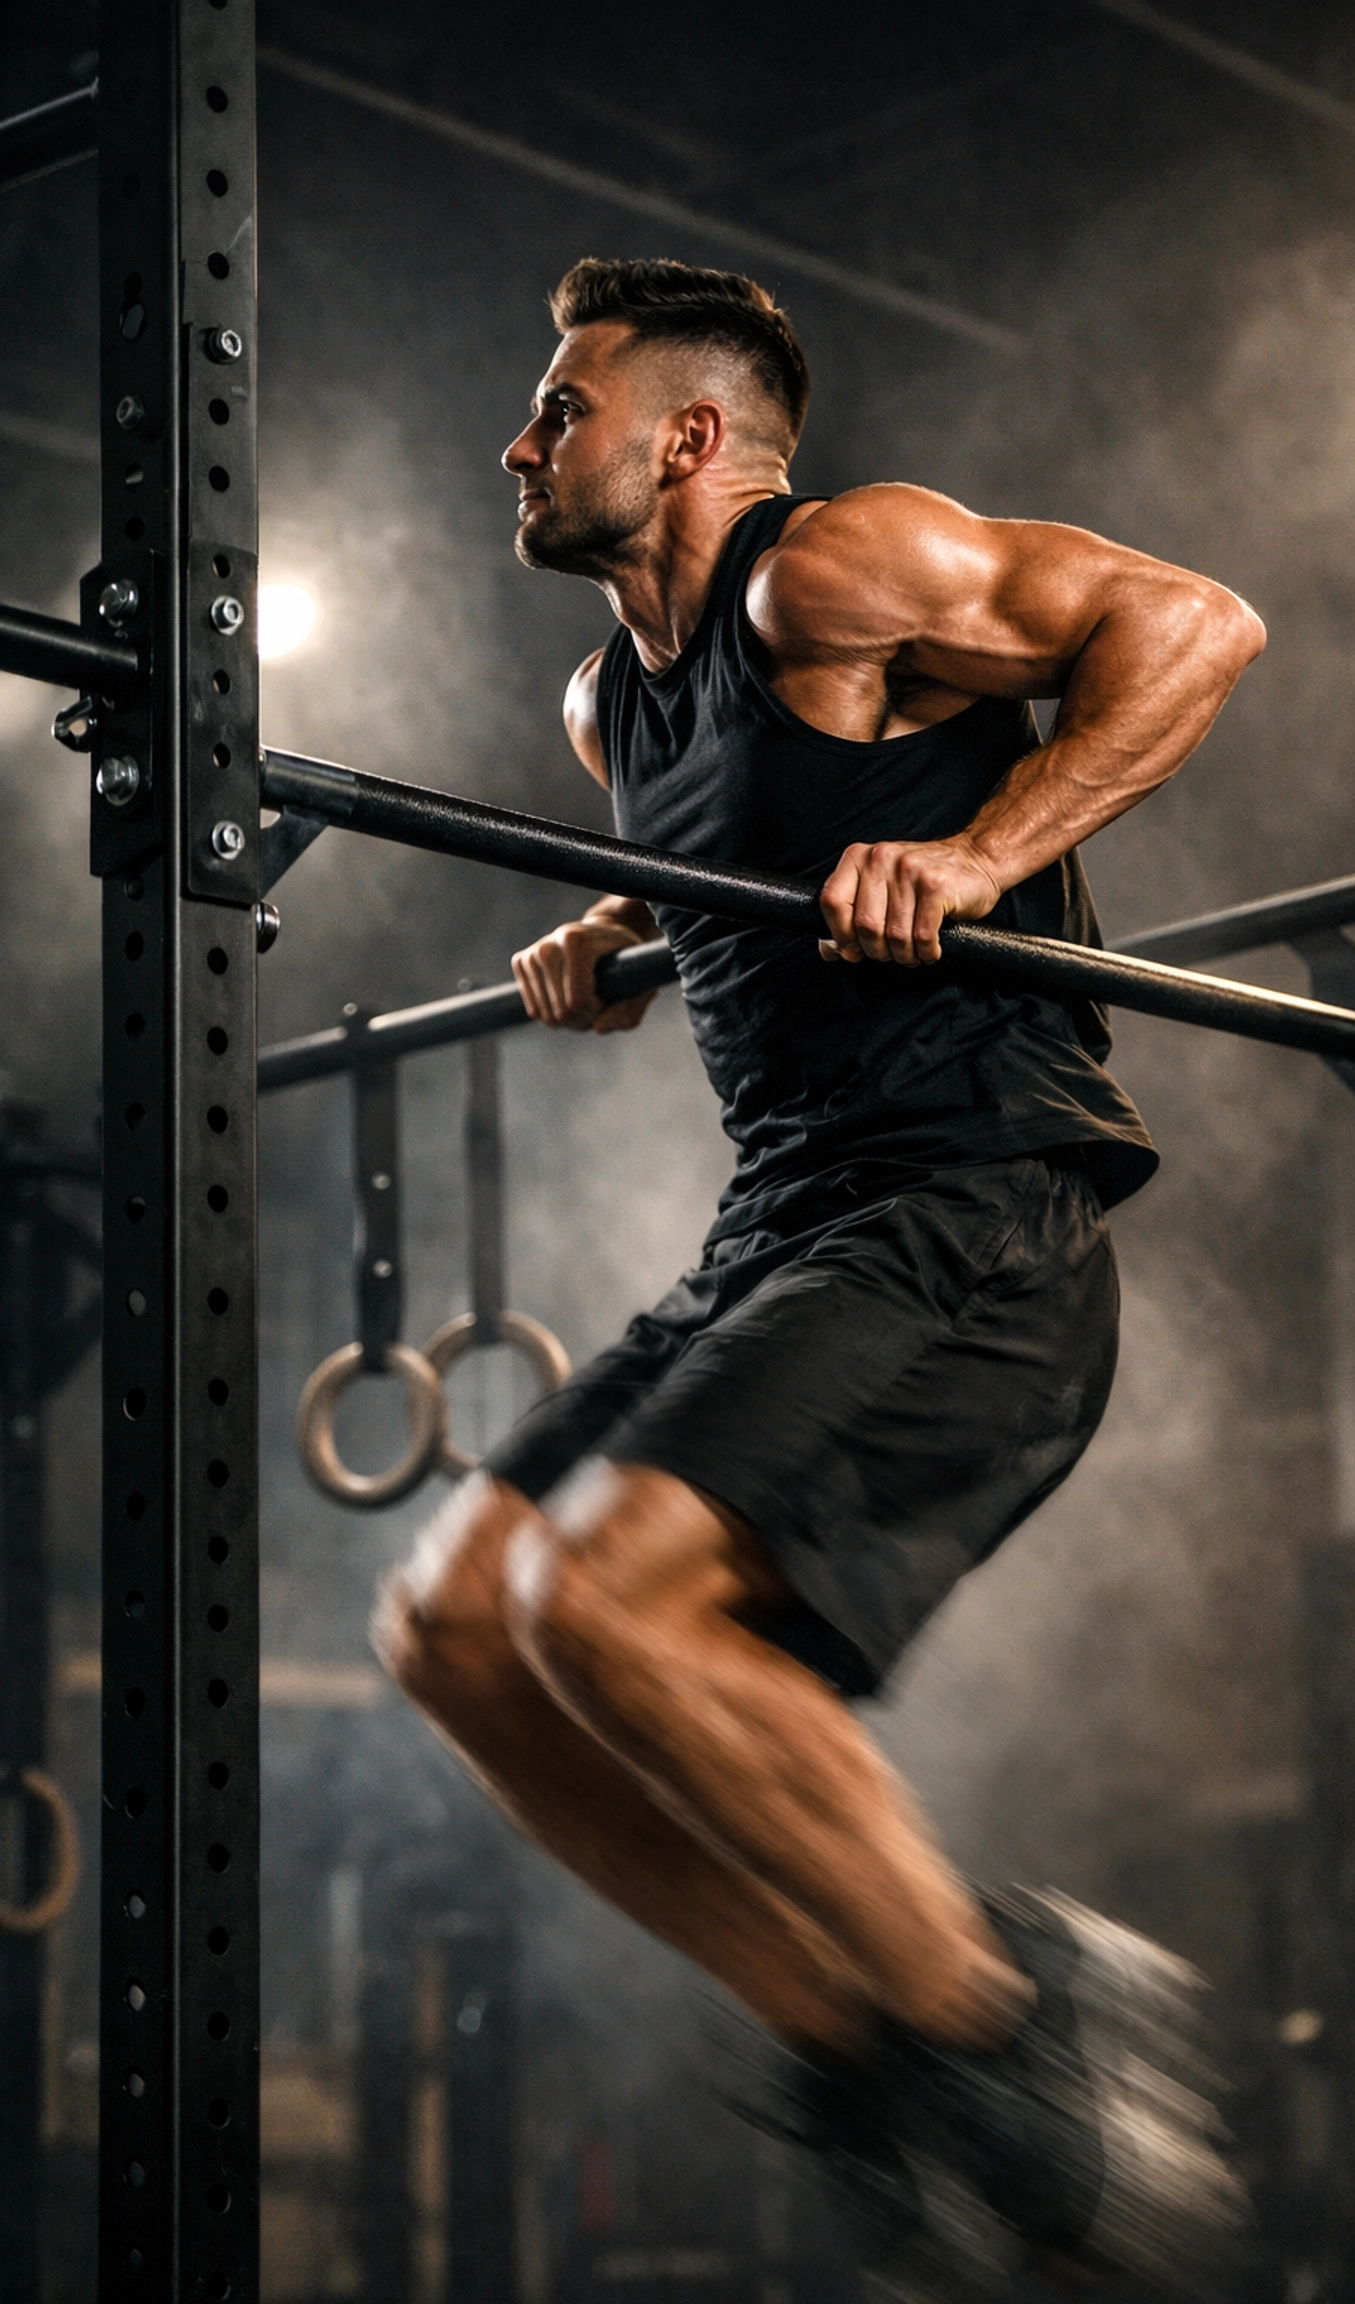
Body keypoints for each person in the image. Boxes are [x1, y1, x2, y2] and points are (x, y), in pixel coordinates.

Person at [373, 256, 1264, 2286]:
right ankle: (869, 2046)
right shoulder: (615, 696)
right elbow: (768, 819)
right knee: (457, 1630)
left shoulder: (834, 570)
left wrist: (979, 852)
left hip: (975, 1199)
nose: (521, 443)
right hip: (790, 1220)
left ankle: (1015, 2027)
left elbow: (1200, 624)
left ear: (686, 437)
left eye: (559, 406)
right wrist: (622, 919)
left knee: (606, 1609)